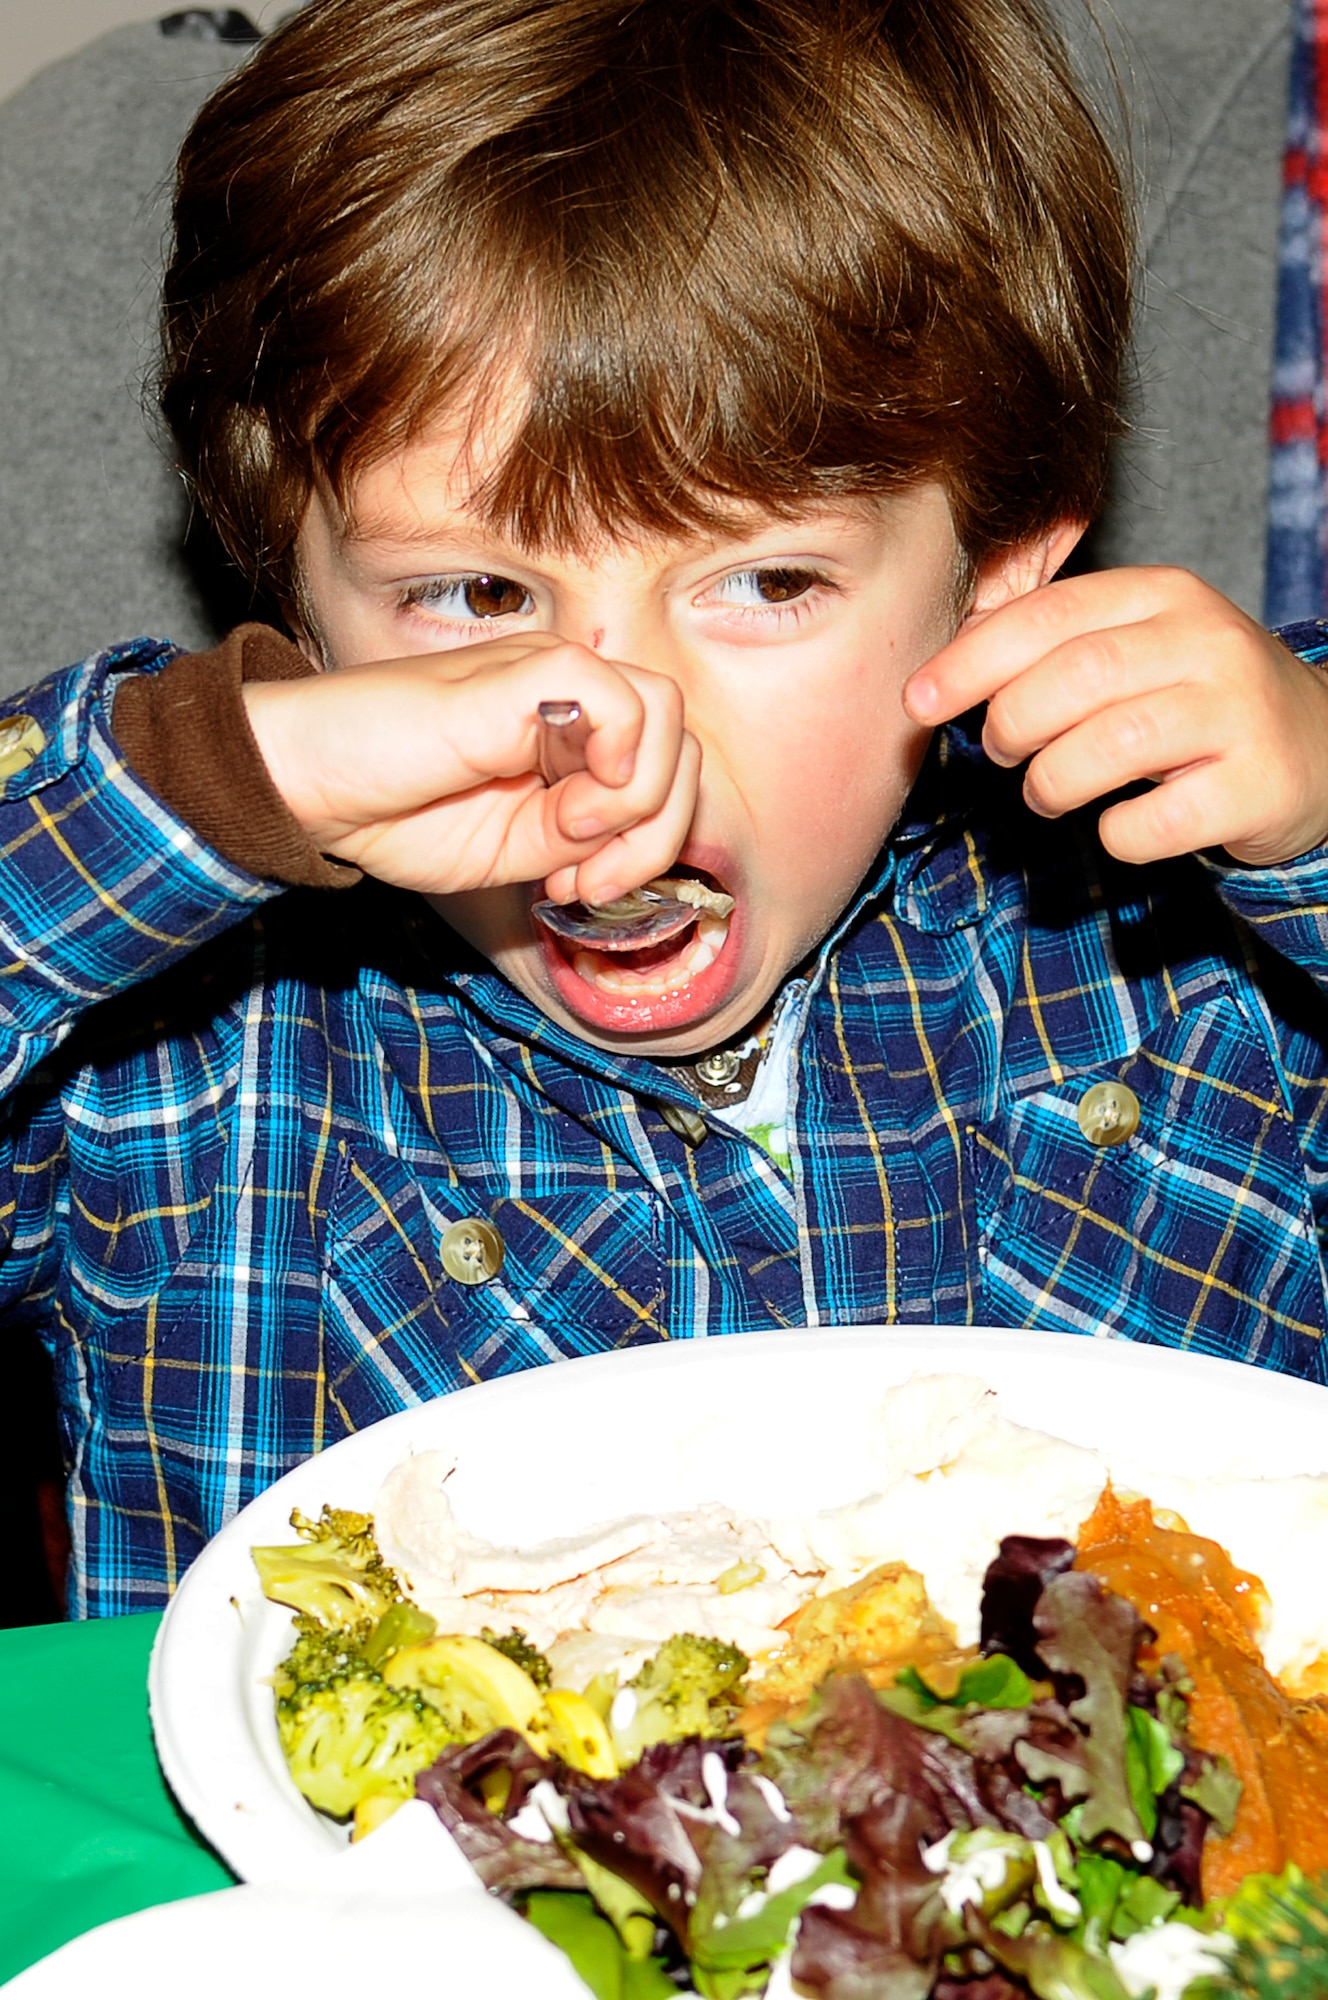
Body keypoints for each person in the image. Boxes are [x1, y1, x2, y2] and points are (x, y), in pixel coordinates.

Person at [4, 0, 1328, 1618]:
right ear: (294, 587)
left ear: (994, 573)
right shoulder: (172, 1058)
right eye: (475, 592)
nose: (611, 725)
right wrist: (222, 780)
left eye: (768, 583)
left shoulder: (1192, 922)